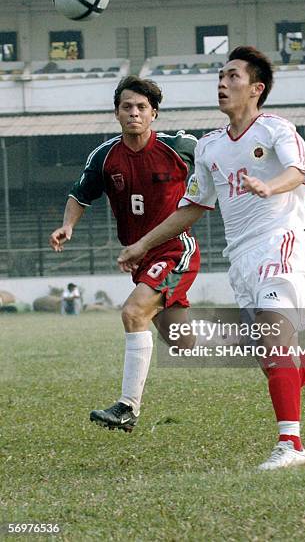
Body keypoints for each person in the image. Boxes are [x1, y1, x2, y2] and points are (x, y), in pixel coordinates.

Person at [118, 46, 305, 470]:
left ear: (256, 88)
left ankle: (291, 445)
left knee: (275, 343)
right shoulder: (209, 147)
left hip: (280, 244)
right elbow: (192, 206)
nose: (223, 83)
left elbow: (301, 171)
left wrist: (271, 186)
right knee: (279, 361)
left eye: (233, 77)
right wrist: (142, 244)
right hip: (241, 261)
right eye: (220, 77)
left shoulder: (276, 129)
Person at [49, 75, 220, 433]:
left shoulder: (180, 146)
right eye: (127, 107)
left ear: (154, 113)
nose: (134, 113)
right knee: (184, 343)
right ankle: (263, 334)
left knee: (132, 311)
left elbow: (219, 165)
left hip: (175, 249)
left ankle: (127, 407)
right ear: (116, 113)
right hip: (139, 258)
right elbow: (80, 195)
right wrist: (68, 226)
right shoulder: (106, 156)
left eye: (142, 107)